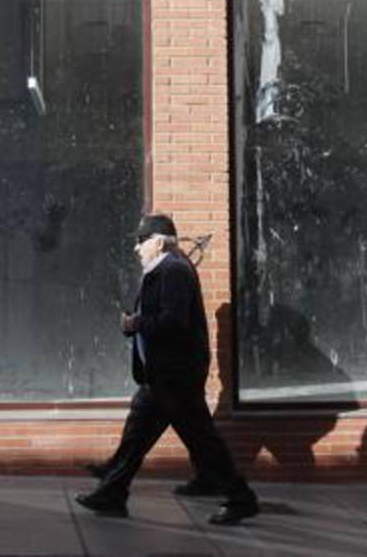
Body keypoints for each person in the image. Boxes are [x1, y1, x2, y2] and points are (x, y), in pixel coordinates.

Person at [75, 213, 260, 526]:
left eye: (141, 241)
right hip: (161, 376)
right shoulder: (162, 270)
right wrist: (134, 325)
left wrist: (136, 323)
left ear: (158, 242)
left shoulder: (173, 270)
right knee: (138, 433)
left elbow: (173, 321)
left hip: (176, 376)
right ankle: (112, 490)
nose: (137, 248)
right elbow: (156, 316)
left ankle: (240, 498)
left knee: (200, 439)